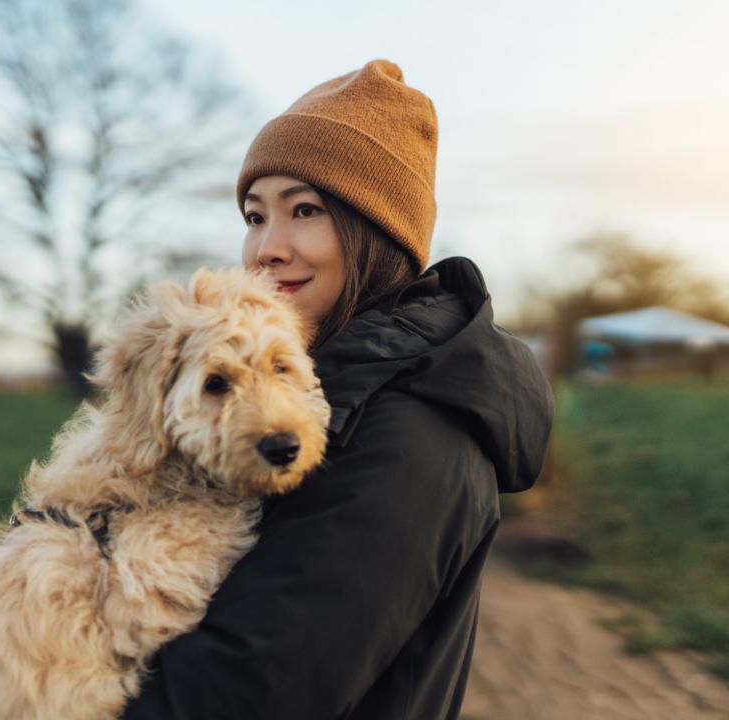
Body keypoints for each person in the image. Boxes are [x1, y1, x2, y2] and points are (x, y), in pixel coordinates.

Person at [122, 59, 554, 720]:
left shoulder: (414, 435)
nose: (266, 247)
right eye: (253, 214)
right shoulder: (323, 390)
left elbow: (245, 692)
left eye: (304, 210)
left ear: (377, 231)